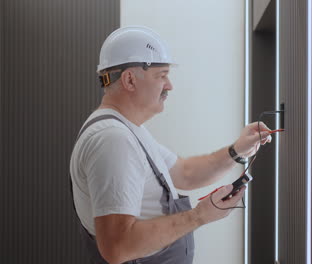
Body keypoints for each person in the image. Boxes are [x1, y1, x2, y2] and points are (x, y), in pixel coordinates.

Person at [69, 26, 272, 264]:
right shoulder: (113, 140)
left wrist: (237, 150)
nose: (169, 86)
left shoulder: (129, 130)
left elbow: (184, 173)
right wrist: (200, 216)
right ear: (130, 80)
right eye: (161, 75)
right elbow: (118, 246)